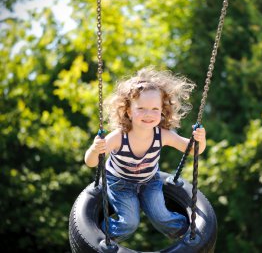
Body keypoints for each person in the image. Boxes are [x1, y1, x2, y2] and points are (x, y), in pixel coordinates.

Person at [84, 67, 206, 242]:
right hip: (120, 183)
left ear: (162, 111)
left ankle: (191, 238)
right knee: (129, 223)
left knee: (162, 217)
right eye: (141, 108)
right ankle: (99, 236)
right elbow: (90, 162)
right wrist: (96, 149)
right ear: (128, 111)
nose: (149, 114)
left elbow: (194, 150)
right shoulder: (118, 137)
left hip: (150, 182)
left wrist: (201, 139)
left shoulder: (162, 134)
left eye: (155, 109)